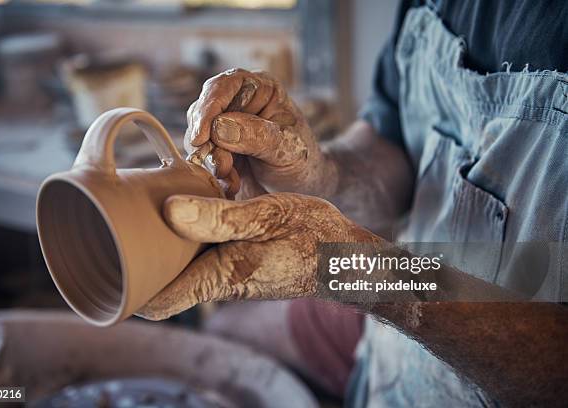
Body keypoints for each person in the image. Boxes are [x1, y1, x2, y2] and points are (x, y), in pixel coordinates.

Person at [138, 1, 568, 406]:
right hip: (390, 346)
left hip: (420, 310)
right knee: (223, 327)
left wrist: (356, 271)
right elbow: (396, 144)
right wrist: (319, 173)